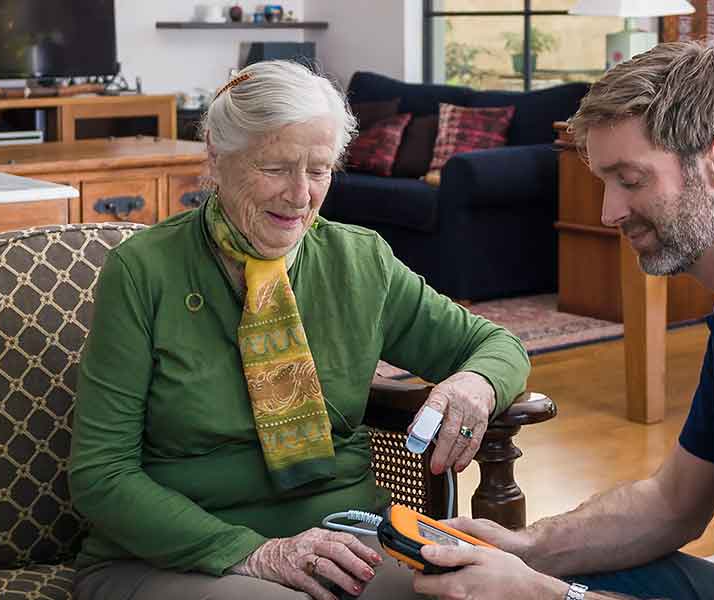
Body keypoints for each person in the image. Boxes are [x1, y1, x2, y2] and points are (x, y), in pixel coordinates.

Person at [67, 60, 530, 600]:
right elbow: (101, 476)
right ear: (216, 156)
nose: (301, 195)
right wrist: (256, 553)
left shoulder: (359, 261)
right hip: (180, 555)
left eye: (319, 170)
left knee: (497, 592)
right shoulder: (143, 271)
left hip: (345, 540)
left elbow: (498, 344)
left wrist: (477, 383)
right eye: (277, 168)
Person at [412, 42, 714, 600]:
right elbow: (672, 504)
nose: (609, 212)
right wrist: (522, 551)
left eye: (630, 179)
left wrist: (538, 594)